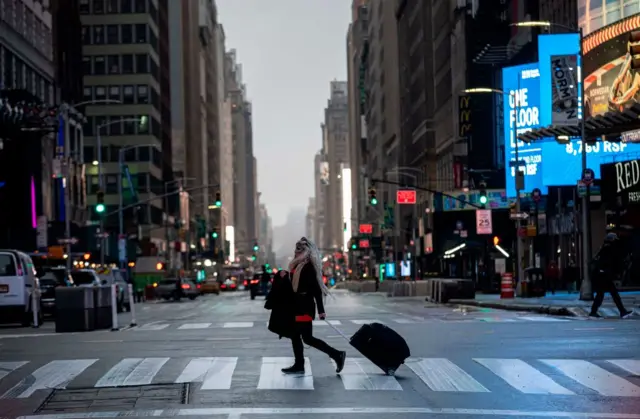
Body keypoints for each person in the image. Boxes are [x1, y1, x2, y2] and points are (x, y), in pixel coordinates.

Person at [281, 237, 346, 375]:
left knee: (306, 338)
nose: (296, 252)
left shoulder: (308, 267)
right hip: (297, 306)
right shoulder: (297, 266)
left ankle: (336, 355)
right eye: (296, 249)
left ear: (305, 251)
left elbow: (316, 290)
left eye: (299, 250)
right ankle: (300, 364)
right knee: (297, 335)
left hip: (304, 307)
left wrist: (321, 311)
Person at [590, 233, 633, 319]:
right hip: (603, 276)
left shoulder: (603, 248)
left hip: (601, 275)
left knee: (604, 294)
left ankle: (594, 312)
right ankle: (622, 312)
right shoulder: (609, 249)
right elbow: (611, 263)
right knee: (611, 294)